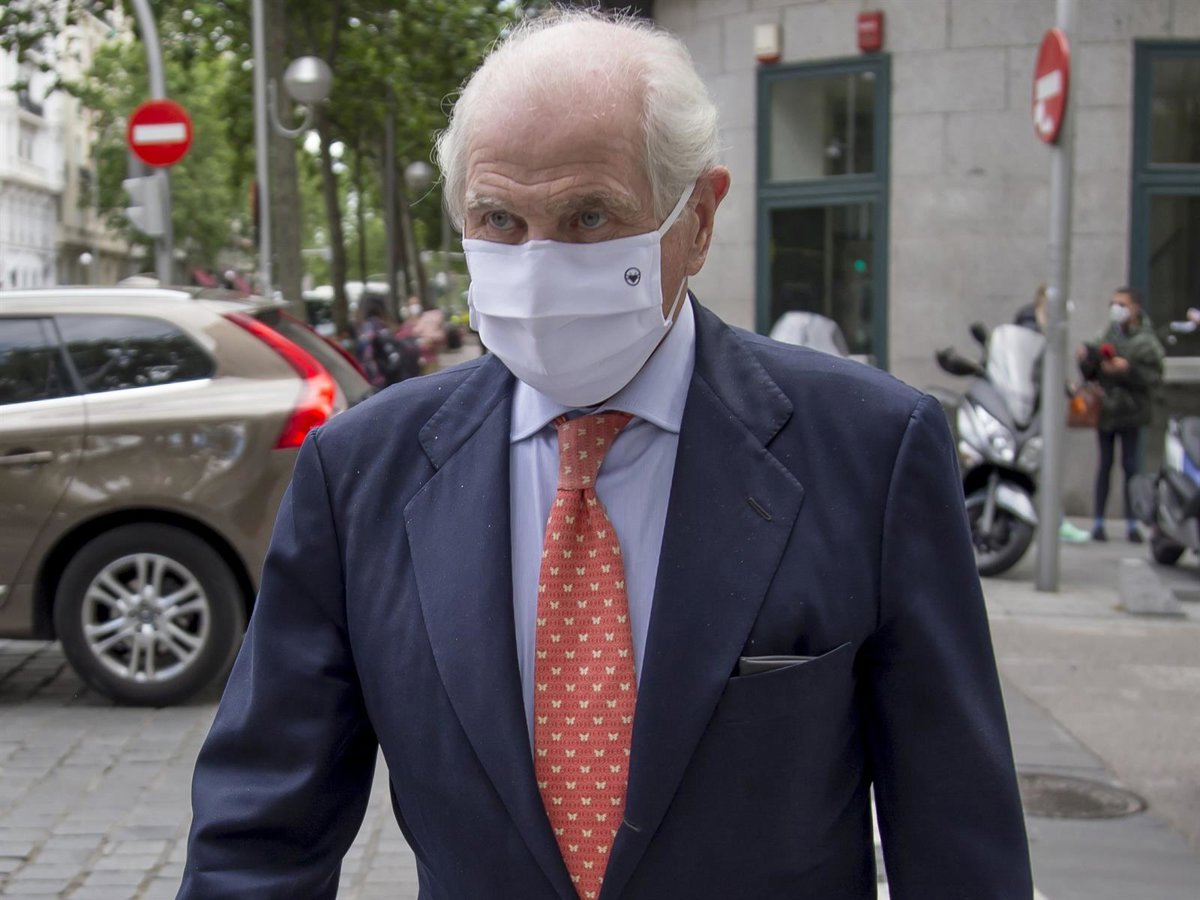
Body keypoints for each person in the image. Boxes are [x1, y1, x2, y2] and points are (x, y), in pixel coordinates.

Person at [178, 11, 1031, 900]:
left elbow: (958, 838)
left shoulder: (871, 451)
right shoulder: (359, 474)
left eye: (589, 216)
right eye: (499, 219)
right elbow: (260, 836)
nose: (538, 266)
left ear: (698, 218)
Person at [1076, 287, 1165, 542]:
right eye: (1113, 304)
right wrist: (1087, 359)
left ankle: (1133, 523)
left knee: (1130, 466)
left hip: (1131, 412)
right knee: (1104, 465)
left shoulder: (1146, 341)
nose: (1117, 309)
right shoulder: (1106, 335)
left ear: (1135, 308)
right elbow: (1090, 371)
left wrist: (1127, 369)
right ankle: (1098, 522)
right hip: (1107, 411)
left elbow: (1154, 376)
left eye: (1122, 304)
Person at [1013, 285, 1092, 543]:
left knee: (1045, 465)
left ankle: (1055, 520)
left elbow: (1050, 366)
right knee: (1035, 463)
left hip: (1041, 406)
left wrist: (1066, 384)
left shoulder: (1050, 326)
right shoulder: (1030, 323)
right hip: (1028, 405)